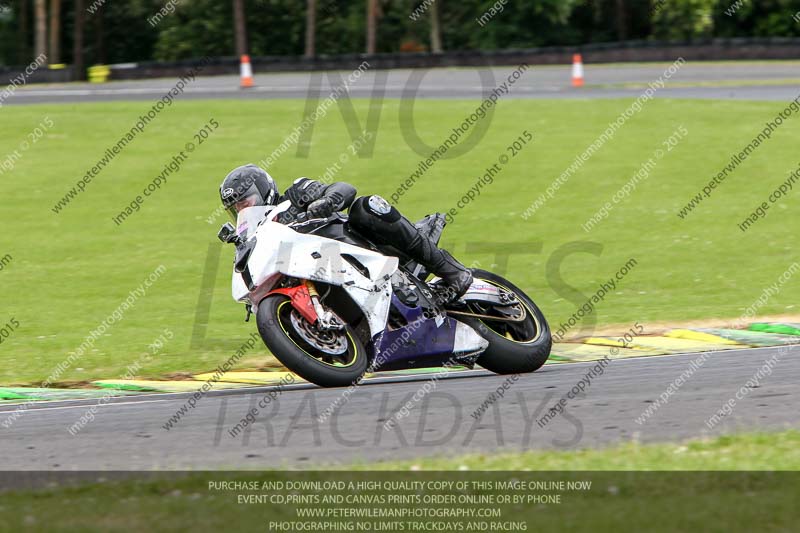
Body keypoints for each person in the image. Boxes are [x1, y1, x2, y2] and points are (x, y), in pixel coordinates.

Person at [219, 164, 473, 300]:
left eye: (246, 202)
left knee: (365, 206)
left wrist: (328, 201)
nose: (243, 211)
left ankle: (451, 271)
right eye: (237, 209)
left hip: (358, 247)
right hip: (325, 275)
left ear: (263, 190)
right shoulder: (257, 239)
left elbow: (344, 187)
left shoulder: (295, 195)